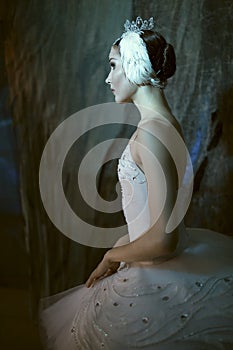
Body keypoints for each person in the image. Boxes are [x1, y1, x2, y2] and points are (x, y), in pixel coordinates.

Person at [40, 17, 233, 349]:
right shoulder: (164, 125)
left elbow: (163, 241)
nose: (107, 77)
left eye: (114, 66)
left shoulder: (152, 134)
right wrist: (127, 239)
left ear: (134, 66)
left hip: (159, 273)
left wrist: (113, 254)